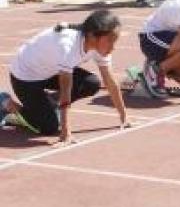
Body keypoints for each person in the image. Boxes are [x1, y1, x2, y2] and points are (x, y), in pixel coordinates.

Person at [0, 10, 129, 143]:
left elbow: (110, 81)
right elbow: (65, 89)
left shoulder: (100, 47)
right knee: (49, 127)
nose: (113, 47)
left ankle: (48, 105)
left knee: (91, 83)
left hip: (50, 71)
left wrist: (124, 116)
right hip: (25, 77)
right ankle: (7, 104)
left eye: (115, 41)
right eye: (110, 41)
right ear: (92, 36)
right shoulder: (68, 46)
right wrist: (66, 132)